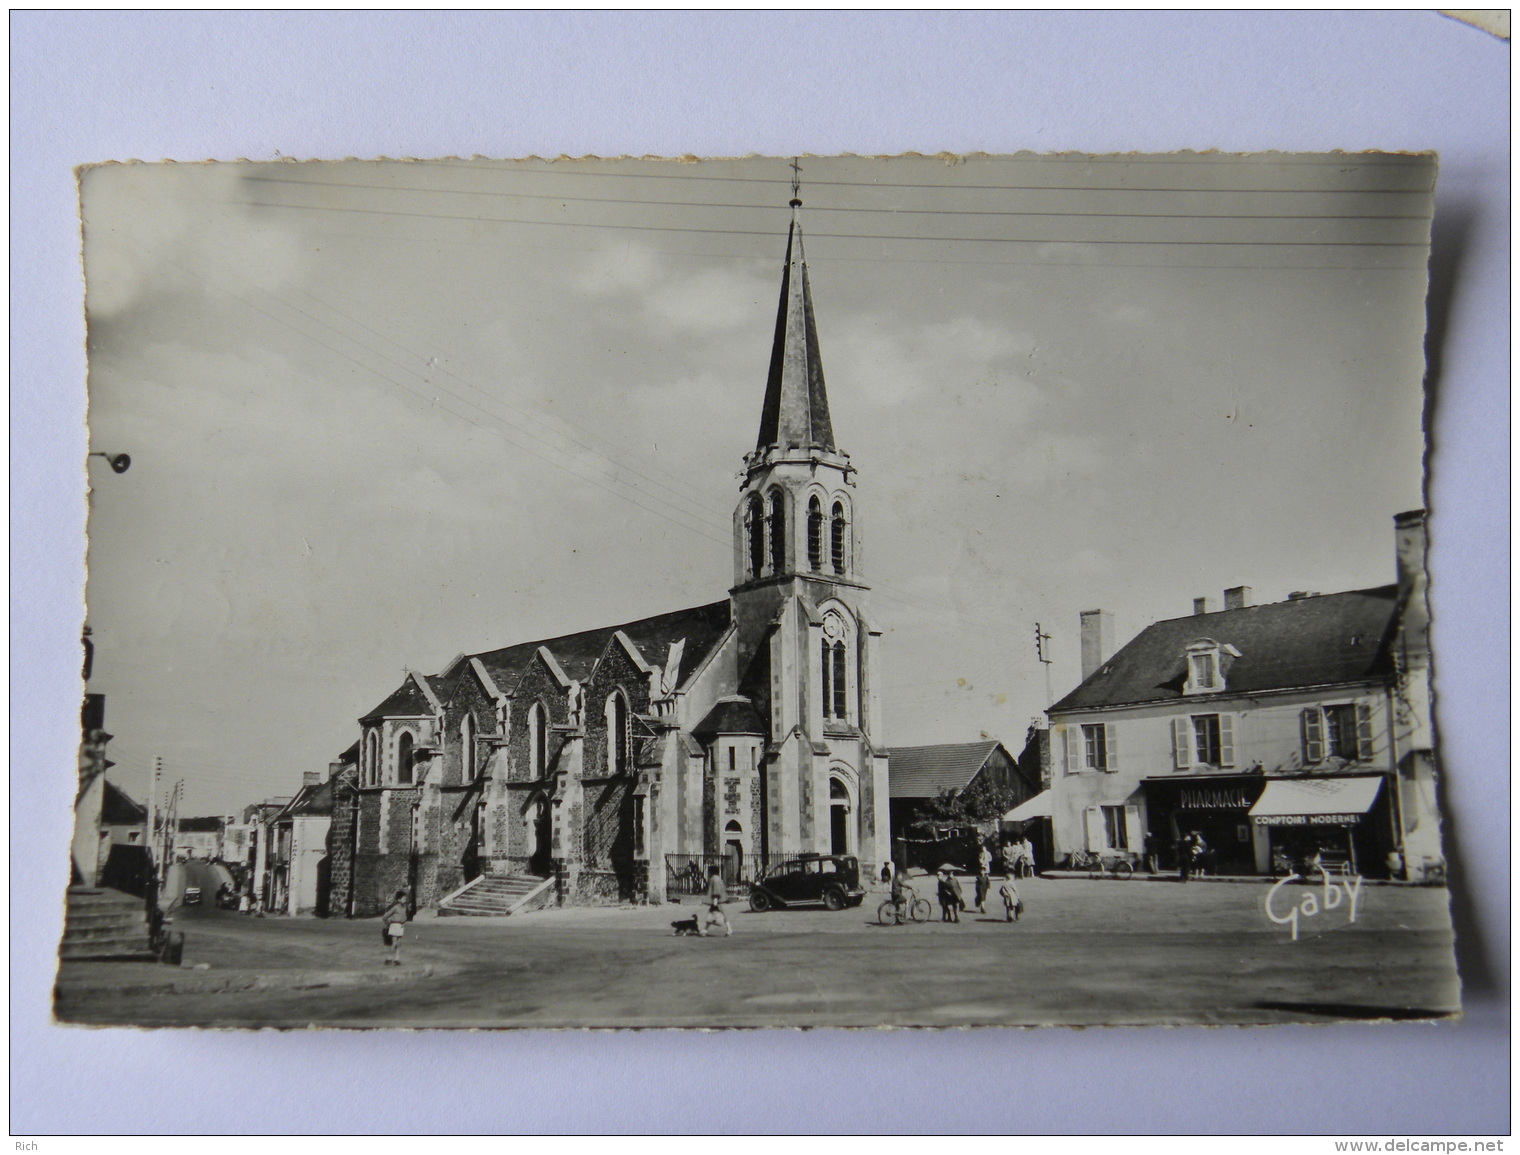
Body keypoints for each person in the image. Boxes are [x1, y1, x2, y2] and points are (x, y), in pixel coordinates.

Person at [697, 865, 731, 937]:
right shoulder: (718, 878)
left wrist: (715, 899)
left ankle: (705, 930)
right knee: (715, 914)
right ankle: (705, 930)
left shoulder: (714, 879)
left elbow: (716, 890)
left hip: (717, 900)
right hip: (719, 900)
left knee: (713, 915)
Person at [381, 889, 409, 966]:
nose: (405, 900)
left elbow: (404, 916)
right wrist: (388, 923)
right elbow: (385, 917)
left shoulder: (405, 907)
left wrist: (404, 923)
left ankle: (397, 959)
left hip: (401, 926)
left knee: (399, 943)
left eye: (405, 898)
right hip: (394, 926)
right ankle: (388, 958)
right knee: (394, 943)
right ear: (399, 899)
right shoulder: (395, 907)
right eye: (403, 898)